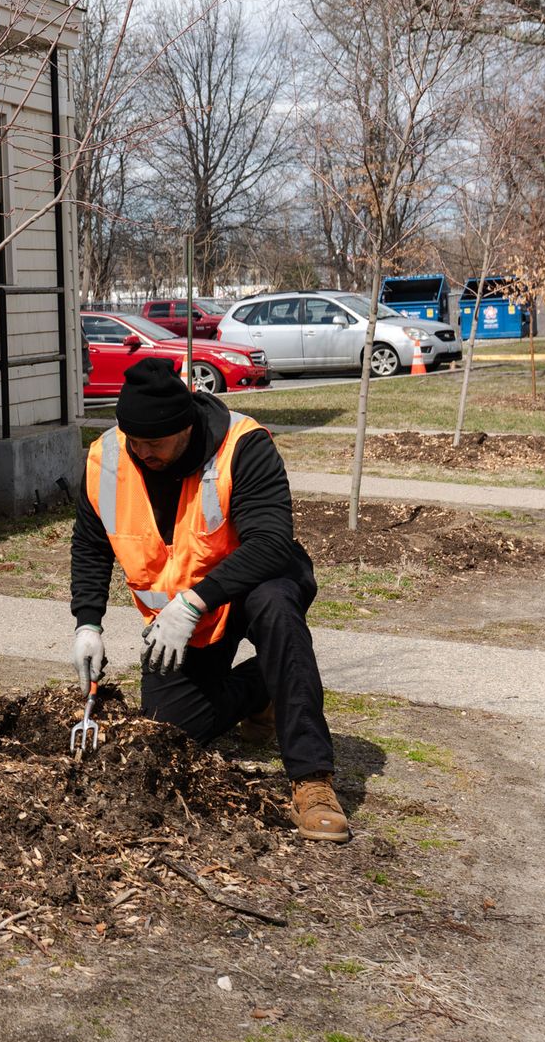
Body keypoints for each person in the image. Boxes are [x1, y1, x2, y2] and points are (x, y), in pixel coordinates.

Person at [69, 358, 350, 842]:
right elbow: (91, 545)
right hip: (184, 613)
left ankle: (312, 779)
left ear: (186, 427)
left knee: (277, 609)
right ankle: (267, 685)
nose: (142, 452)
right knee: (171, 729)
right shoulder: (108, 458)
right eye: (134, 440)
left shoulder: (243, 446)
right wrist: (87, 624)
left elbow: (271, 543)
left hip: (251, 584)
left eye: (154, 443)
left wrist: (195, 601)